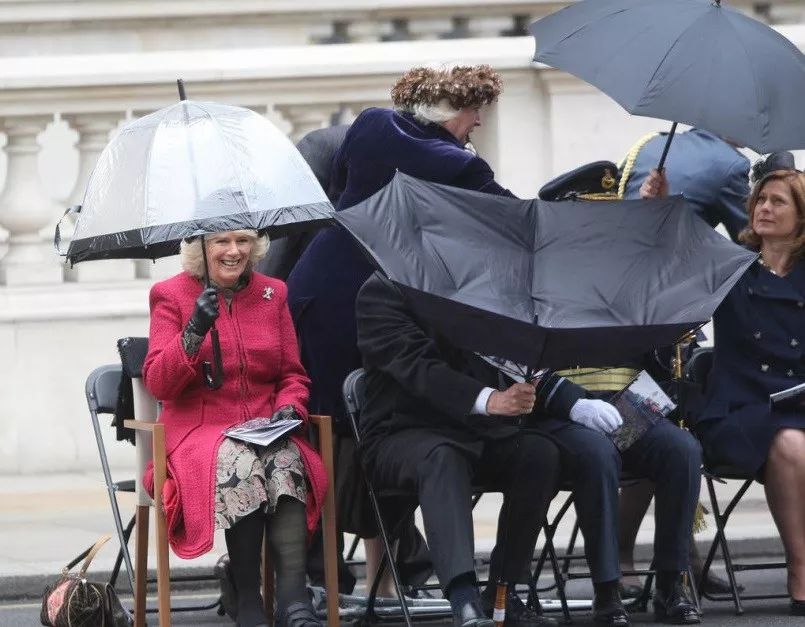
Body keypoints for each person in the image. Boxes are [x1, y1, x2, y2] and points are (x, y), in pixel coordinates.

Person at [286, 63, 513, 592]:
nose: (478, 122)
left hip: (317, 284)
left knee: (337, 431)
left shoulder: (368, 125)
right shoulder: (457, 163)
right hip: (363, 301)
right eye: (474, 111)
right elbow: (510, 219)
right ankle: (383, 570)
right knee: (366, 429)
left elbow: (343, 184)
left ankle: (365, 572)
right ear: (454, 111)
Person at [355, 271, 587, 627]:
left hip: (470, 430)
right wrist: (489, 399)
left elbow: (501, 351)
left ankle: (503, 593)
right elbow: (417, 367)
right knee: (442, 457)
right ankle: (463, 599)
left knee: (538, 452)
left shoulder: (476, 285)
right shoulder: (381, 290)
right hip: (400, 432)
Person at [534, 165, 704, 626]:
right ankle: (607, 591)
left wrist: (676, 333)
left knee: (682, 450)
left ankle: (671, 584)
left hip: (627, 406)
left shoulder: (630, 276)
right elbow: (521, 363)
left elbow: (653, 356)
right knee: (597, 455)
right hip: (565, 413)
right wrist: (568, 401)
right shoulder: (535, 281)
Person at [142, 229, 328, 627]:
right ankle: (247, 598)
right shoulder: (170, 295)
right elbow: (159, 382)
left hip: (263, 426)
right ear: (200, 247)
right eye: (221, 241)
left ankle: (294, 601)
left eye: (243, 240)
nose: (234, 251)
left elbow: (293, 376)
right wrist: (193, 330)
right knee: (240, 460)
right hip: (197, 432)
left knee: (284, 459)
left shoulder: (273, 293)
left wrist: (288, 407)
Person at [645, 165, 805, 617]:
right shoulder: (731, 264)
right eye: (760, 200)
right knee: (791, 442)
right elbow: (675, 253)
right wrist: (658, 205)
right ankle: (801, 570)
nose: (764, 209)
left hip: (799, 398)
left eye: (778, 202)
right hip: (740, 408)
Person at [620, 128, 750, 241]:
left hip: (616, 247)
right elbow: (750, 241)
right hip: (666, 261)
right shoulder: (732, 164)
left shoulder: (650, 143)